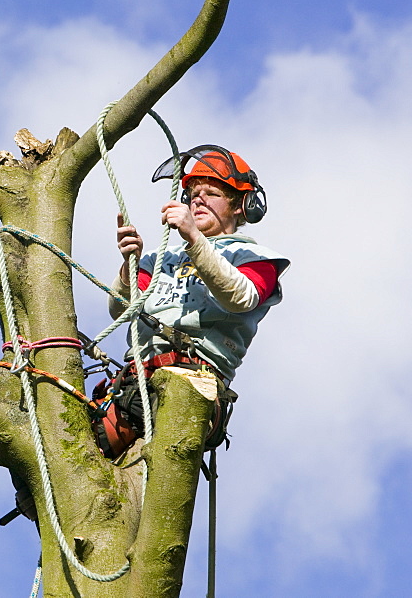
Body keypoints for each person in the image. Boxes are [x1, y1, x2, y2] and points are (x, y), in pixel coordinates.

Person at [94, 146, 289, 457]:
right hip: (135, 384)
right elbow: (120, 310)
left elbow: (241, 297)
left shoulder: (256, 259)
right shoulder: (161, 259)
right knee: (66, 450)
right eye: (193, 192)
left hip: (194, 385)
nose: (198, 198)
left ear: (239, 205)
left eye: (211, 193)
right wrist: (130, 265)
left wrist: (194, 240)